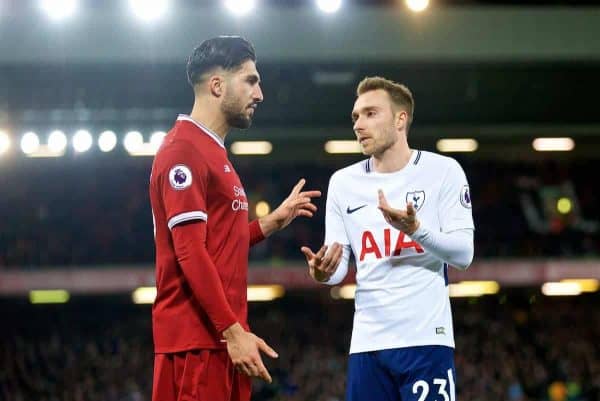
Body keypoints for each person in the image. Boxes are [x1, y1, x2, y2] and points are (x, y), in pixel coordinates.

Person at [149, 36, 321, 401]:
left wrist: (270, 224)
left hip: (218, 339)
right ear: (216, 85)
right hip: (197, 343)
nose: (259, 94)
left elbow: (217, 242)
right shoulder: (184, 150)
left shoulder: (211, 150)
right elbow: (190, 251)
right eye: (251, 80)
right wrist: (232, 331)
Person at [301, 76, 475, 401]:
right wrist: (324, 273)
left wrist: (416, 230)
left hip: (426, 341)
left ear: (400, 119)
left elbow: (464, 254)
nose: (358, 125)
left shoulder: (444, 171)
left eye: (370, 114)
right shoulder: (343, 183)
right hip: (368, 344)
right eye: (355, 117)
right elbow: (339, 267)